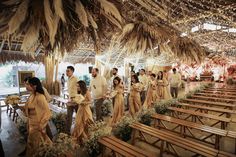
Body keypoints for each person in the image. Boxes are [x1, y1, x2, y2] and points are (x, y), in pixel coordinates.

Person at [24, 77, 52, 157]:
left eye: (28, 84)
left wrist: (42, 124)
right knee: (32, 142)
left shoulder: (40, 97)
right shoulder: (32, 95)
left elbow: (47, 113)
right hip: (31, 122)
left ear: (34, 86)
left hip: (37, 124)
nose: (26, 86)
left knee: (37, 142)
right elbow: (29, 107)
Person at [66, 66, 78, 134]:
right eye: (66, 71)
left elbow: (80, 88)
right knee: (68, 116)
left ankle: (79, 130)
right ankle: (67, 132)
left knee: (78, 115)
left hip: (76, 100)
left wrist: (77, 99)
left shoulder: (75, 78)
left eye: (68, 71)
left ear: (72, 71)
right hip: (70, 100)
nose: (66, 72)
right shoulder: (68, 79)